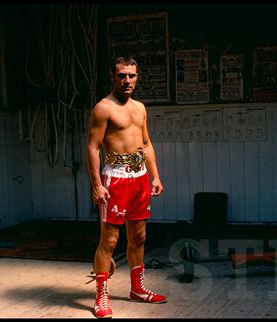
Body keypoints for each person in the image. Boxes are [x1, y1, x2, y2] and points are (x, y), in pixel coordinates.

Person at [87, 56, 167, 319]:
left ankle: (137, 289)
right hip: (116, 179)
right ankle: (101, 296)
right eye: (122, 75)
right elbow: (92, 147)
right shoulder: (103, 108)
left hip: (140, 178)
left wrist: (155, 176)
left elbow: (147, 143)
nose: (127, 80)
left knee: (139, 237)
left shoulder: (140, 108)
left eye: (132, 75)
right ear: (112, 76)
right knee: (109, 240)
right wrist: (96, 184)